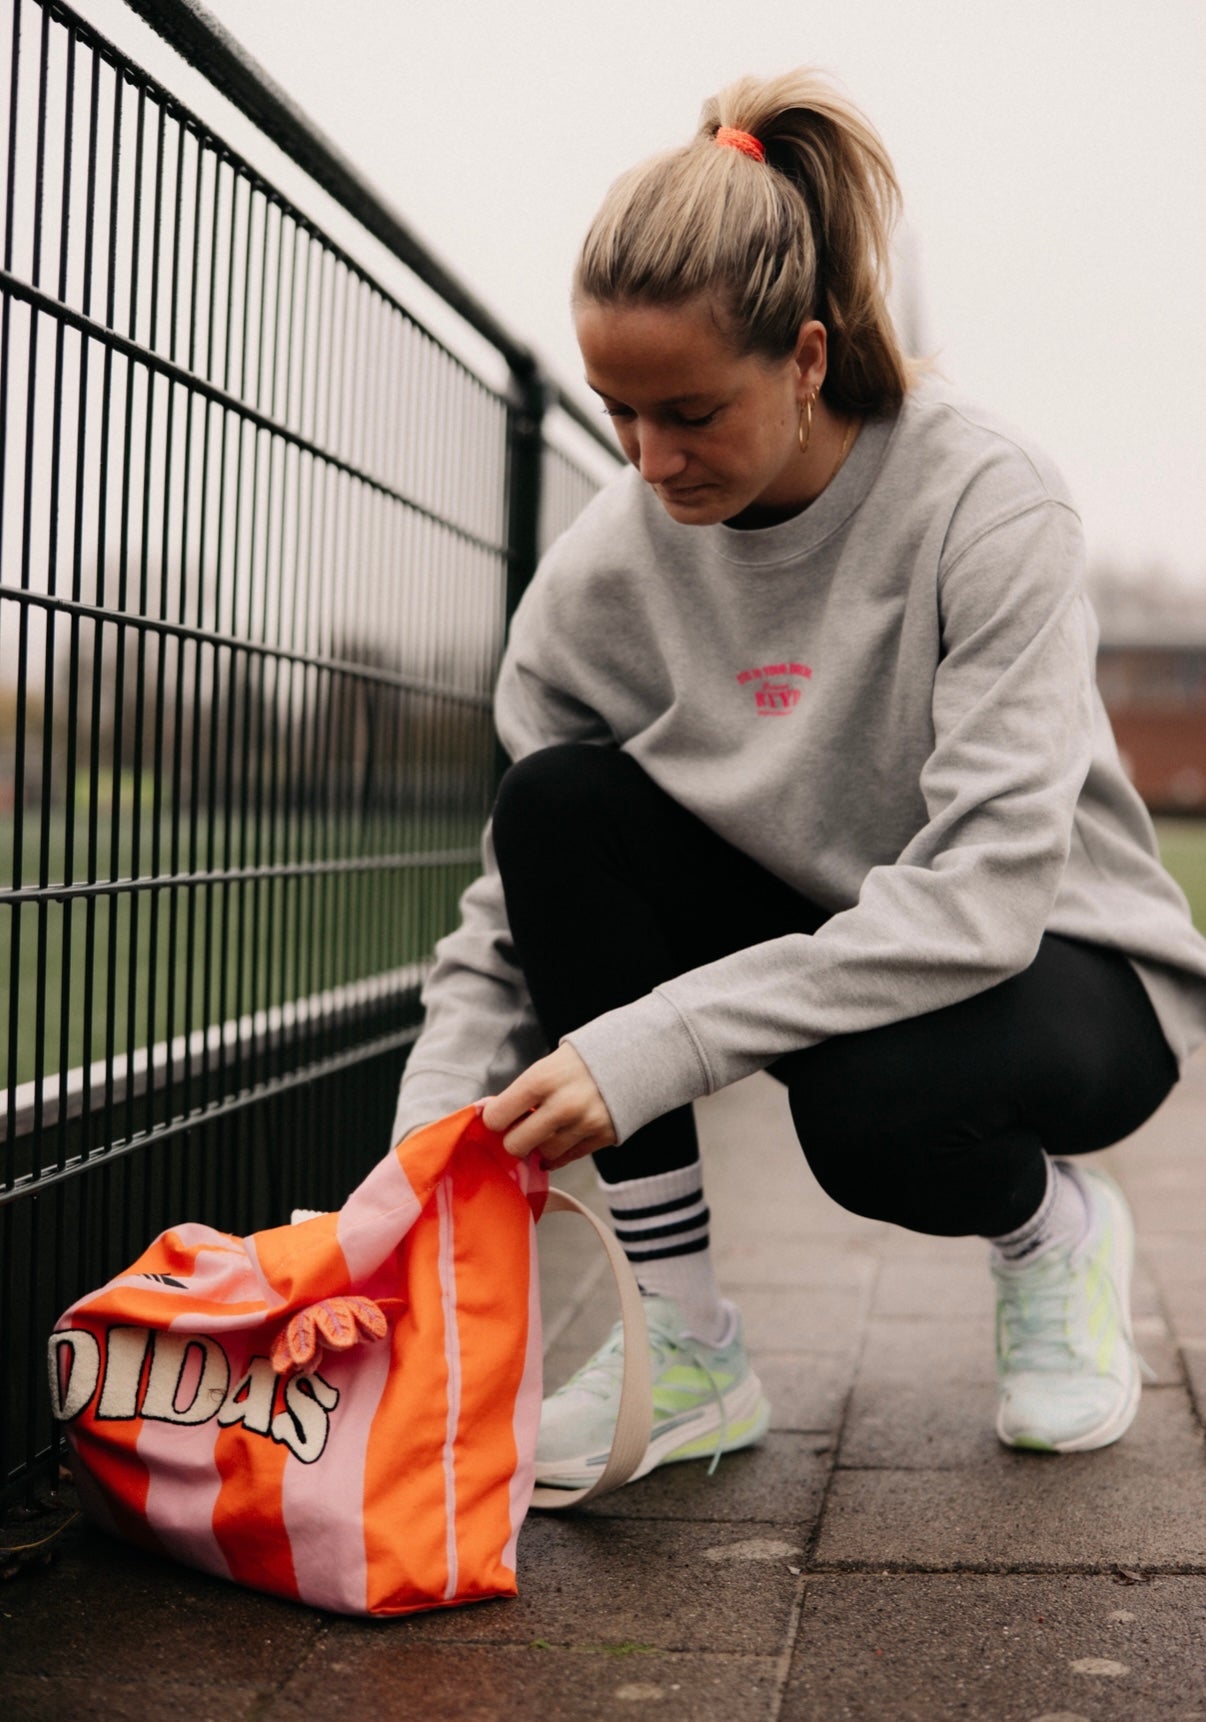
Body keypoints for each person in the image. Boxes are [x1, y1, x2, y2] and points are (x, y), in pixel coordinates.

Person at [390, 68, 1206, 1485]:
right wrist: (414, 1157)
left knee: (871, 1111)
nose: (651, 460)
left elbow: (984, 897)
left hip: (1061, 965)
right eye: (618, 412)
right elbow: (512, 899)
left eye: (691, 412)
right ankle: (685, 1344)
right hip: (827, 945)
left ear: (809, 358)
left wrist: (657, 1041)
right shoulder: (601, 575)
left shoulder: (983, 502)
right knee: (557, 807)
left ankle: (1050, 1233)